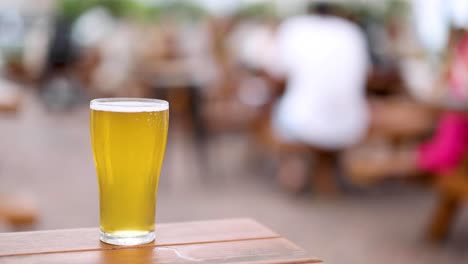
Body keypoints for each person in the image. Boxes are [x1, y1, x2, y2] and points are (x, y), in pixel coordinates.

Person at [269, 3, 370, 192]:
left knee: (281, 113)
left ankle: (293, 169)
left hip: (304, 124)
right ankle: (321, 169)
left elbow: (277, 72)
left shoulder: (294, 28)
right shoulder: (351, 32)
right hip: (353, 124)